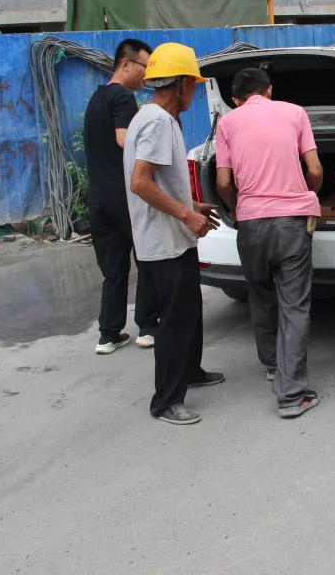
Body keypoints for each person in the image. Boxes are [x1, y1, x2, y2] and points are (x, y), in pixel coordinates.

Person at [215, 68, 324, 419]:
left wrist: (236, 207)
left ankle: (273, 364)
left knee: (260, 294)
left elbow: (222, 180)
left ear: (236, 99)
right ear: (270, 90)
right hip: (293, 224)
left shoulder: (228, 123)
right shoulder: (295, 112)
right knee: (295, 304)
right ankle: (292, 395)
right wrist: (306, 194)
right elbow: (317, 170)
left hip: (251, 223)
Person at [124, 42, 224, 425]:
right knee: (175, 322)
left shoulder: (153, 118)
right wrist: (185, 213)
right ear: (181, 83)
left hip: (168, 237)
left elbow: (158, 182)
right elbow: (140, 182)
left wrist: (190, 205)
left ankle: (191, 372)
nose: (194, 94)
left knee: (188, 313)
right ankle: (166, 401)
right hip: (162, 242)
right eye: (193, 86)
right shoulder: (156, 121)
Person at [83, 38, 159, 355]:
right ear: (125, 63)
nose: (147, 75)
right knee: (148, 261)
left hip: (99, 200)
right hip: (125, 199)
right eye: (145, 67)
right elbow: (123, 139)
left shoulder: (97, 98)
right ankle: (148, 327)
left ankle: (108, 333)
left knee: (113, 269)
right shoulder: (123, 96)